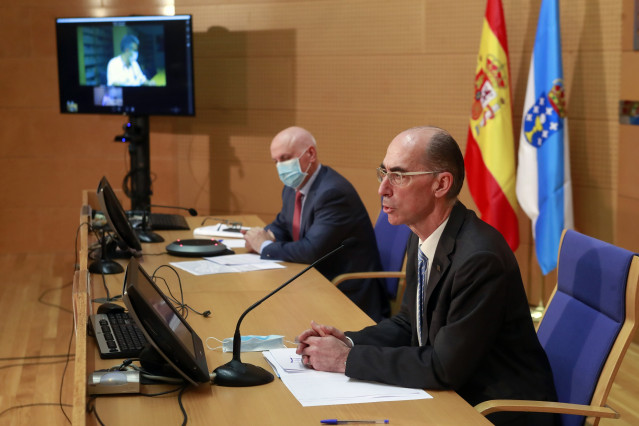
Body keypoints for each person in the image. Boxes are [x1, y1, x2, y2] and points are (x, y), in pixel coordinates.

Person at [295, 126, 558, 425]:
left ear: (441, 184)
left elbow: (444, 367)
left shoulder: (480, 259)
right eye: (384, 173)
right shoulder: (421, 234)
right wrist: (348, 342)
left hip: (496, 411)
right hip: (455, 393)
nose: (383, 188)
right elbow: (410, 323)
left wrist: (344, 360)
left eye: (399, 176)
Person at [244, 126, 389, 322]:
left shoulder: (333, 193)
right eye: (276, 161)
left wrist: (264, 245)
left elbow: (310, 251)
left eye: (285, 158)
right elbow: (282, 223)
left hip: (346, 293)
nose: (280, 167)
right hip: (314, 281)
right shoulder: (292, 188)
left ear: (310, 154)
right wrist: (264, 235)